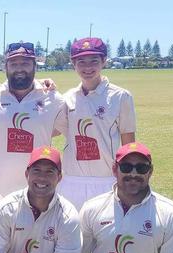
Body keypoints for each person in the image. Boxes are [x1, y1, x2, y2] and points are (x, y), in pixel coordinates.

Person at [55, 37, 136, 211]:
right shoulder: (68, 98)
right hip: (72, 181)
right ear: (73, 64)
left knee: (105, 237)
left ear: (104, 61)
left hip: (106, 181)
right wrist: (42, 90)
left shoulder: (121, 97)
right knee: (71, 236)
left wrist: (129, 180)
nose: (87, 67)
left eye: (94, 61)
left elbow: (129, 145)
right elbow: (53, 131)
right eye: (81, 62)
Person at [0, 42, 66, 196]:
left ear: (35, 66)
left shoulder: (53, 99)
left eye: (25, 63)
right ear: (6, 66)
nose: (19, 69)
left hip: (38, 193)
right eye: (14, 63)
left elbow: (64, 129)